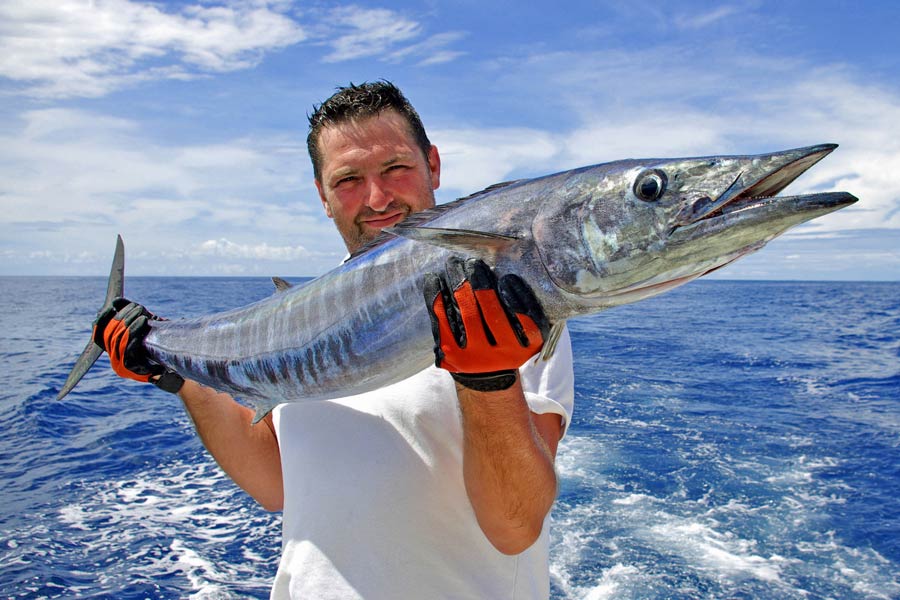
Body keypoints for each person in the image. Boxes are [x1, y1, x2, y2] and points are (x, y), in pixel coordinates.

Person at [93, 81, 575, 599]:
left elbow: (515, 527)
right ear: (322, 196)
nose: (378, 198)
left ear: (433, 165)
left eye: (396, 168)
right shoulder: (304, 318)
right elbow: (275, 482)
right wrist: (178, 378)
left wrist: (488, 380)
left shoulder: (512, 308)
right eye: (348, 179)